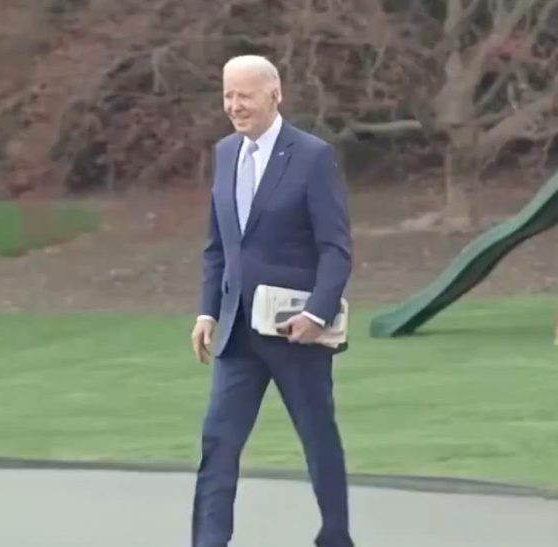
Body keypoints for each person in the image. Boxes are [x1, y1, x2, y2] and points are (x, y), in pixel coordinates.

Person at [189, 54, 355, 547]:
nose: (234, 105)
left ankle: (335, 537)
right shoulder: (225, 153)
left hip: (295, 333)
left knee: (318, 439)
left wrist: (317, 312)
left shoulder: (312, 156)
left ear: (275, 95)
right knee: (218, 444)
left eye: (245, 95)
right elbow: (218, 246)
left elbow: (336, 248)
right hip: (237, 333)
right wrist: (207, 311)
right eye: (227, 95)